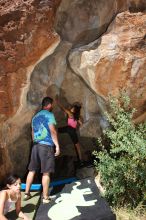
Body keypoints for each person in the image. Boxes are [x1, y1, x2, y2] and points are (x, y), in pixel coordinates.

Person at [24, 97, 60, 204]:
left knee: (32, 170)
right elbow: (53, 131)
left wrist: (36, 142)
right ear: (49, 105)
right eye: (52, 105)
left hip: (35, 145)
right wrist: (57, 145)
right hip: (46, 146)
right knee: (46, 172)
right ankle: (45, 197)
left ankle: (26, 193)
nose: (52, 107)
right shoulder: (49, 115)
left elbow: (32, 133)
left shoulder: (35, 117)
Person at [56, 97, 83, 165]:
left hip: (69, 128)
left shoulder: (70, 114)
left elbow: (63, 108)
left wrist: (58, 102)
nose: (71, 108)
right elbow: (81, 124)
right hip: (73, 131)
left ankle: (52, 138)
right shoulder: (77, 116)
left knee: (56, 130)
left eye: (72, 108)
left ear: (74, 110)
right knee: (77, 146)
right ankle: (81, 160)